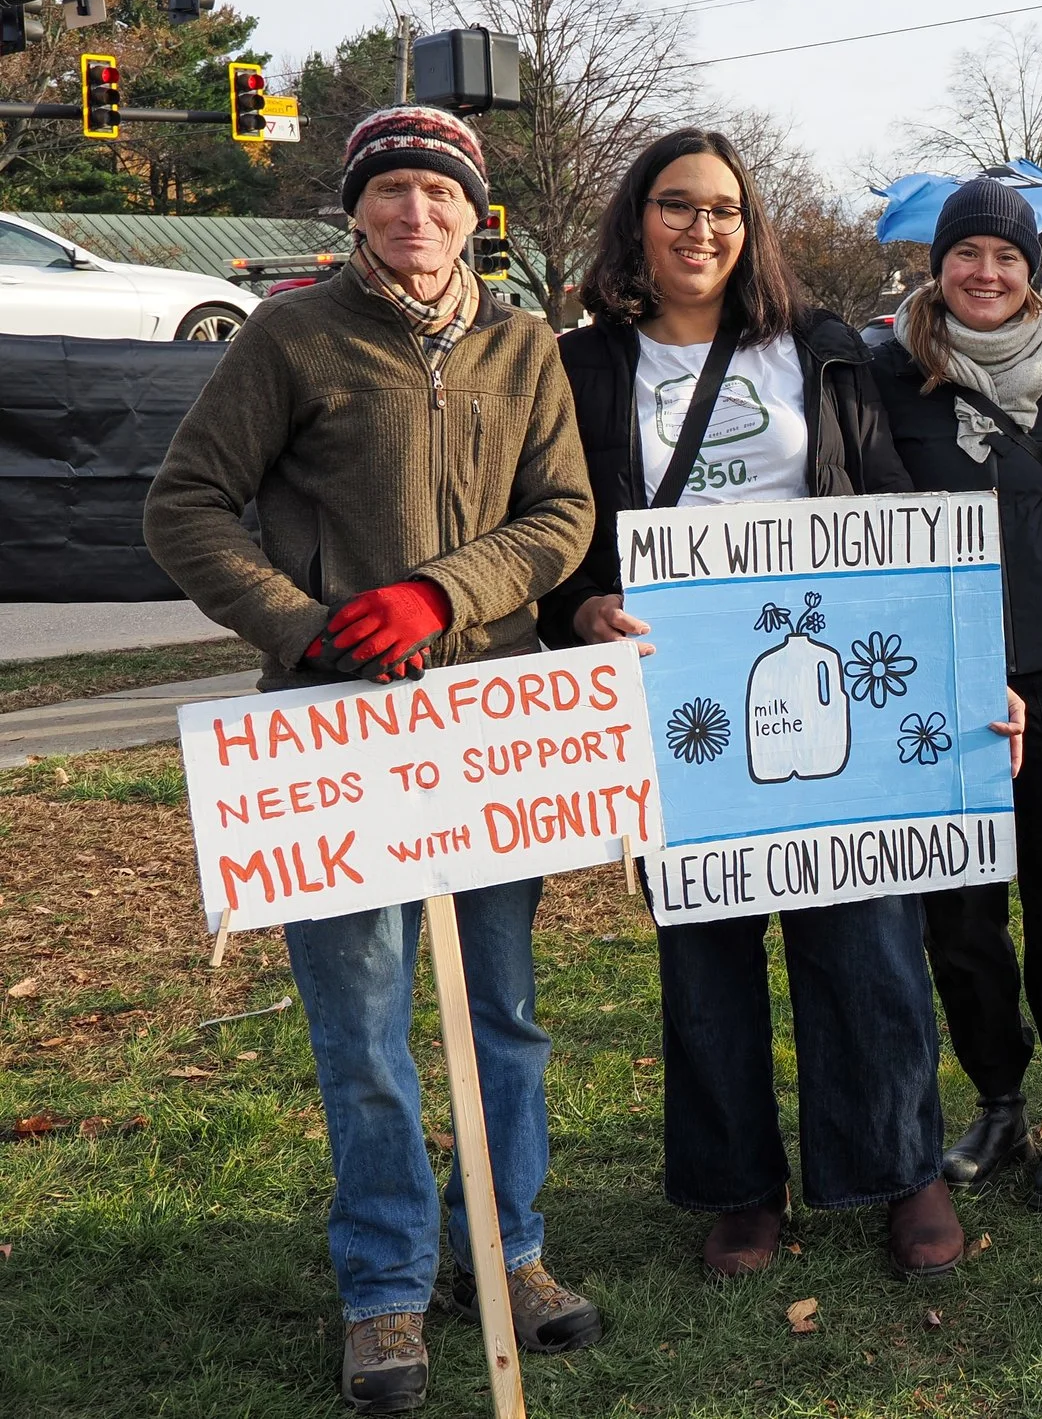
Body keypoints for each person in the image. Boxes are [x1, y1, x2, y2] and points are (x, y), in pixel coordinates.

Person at [145, 106, 602, 1414]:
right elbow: (182, 505)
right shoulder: (291, 335)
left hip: (492, 729)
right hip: (335, 732)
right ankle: (387, 1283)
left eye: (440, 193)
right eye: (392, 191)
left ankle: (506, 1251)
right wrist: (307, 626)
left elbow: (562, 513)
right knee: (364, 1032)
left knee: (503, 1014)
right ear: (358, 210)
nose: (417, 213)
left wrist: (442, 597)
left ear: (475, 212)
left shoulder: (525, 343)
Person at [538, 127, 970, 1285]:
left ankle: (899, 1166)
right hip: (676, 705)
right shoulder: (582, 368)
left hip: (829, 687)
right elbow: (555, 537)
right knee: (707, 950)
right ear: (637, 221)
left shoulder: (819, 351)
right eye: (675, 206)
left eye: (723, 208)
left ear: (750, 226)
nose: (700, 228)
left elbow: (892, 518)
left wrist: (968, 677)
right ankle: (739, 1187)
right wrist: (581, 612)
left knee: (869, 936)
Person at [873, 180, 1042, 1214]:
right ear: (938, 267)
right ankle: (996, 1093)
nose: (985, 274)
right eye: (966, 255)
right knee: (960, 908)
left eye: (1006, 258)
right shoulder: (884, 375)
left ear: (1032, 274)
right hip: (933, 679)